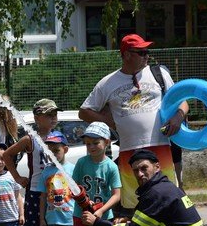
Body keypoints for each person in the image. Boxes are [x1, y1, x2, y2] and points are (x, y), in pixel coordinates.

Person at [79, 34, 188, 213]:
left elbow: (182, 102)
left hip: (160, 147)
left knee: (167, 199)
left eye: (147, 51)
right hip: (130, 151)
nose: (147, 56)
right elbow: (84, 111)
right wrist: (110, 122)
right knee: (134, 204)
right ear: (127, 54)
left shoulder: (159, 74)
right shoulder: (107, 83)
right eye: (142, 52)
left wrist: (178, 117)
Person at [3, 98, 60, 226]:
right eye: (49, 114)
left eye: (55, 114)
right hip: (35, 192)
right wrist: (17, 178)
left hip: (56, 193)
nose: (53, 118)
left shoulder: (58, 137)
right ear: (37, 118)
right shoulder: (30, 139)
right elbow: (6, 155)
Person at [36, 131, 76, 226]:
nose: (52, 154)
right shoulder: (46, 172)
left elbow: (80, 194)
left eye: (56, 151)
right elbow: (42, 197)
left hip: (71, 218)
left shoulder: (73, 169)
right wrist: (41, 218)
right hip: (52, 219)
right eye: (49, 151)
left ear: (65, 149)